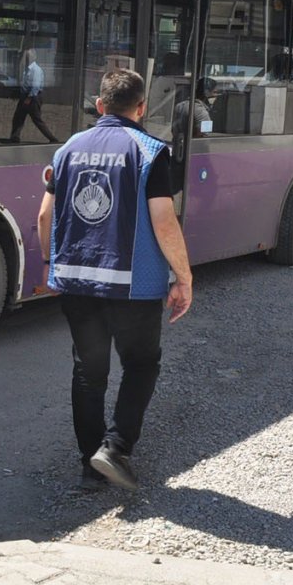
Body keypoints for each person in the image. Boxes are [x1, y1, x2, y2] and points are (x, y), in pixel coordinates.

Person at [36, 68, 194, 492]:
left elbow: (44, 216)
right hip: (133, 286)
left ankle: (91, 468)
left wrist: (53, 264)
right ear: (141, 109)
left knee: (89, 372)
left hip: (77, 283)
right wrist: (184, 277)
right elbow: (164, 221)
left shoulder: (68, 148)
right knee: (141, 365)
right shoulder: (148, 150)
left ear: (100, 106)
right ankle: (116, 446)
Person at [9, 48, 58, 143]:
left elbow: (35, 86)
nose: (26, 58)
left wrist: (29, 98)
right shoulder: (27, 69)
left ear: (34, 57)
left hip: (32, 97)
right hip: (26, 96)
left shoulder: (36, 70)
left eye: (28, 56)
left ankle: (52, 139)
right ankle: (15, 137)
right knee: (18, 118)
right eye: (26, 56)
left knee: (37, 119)